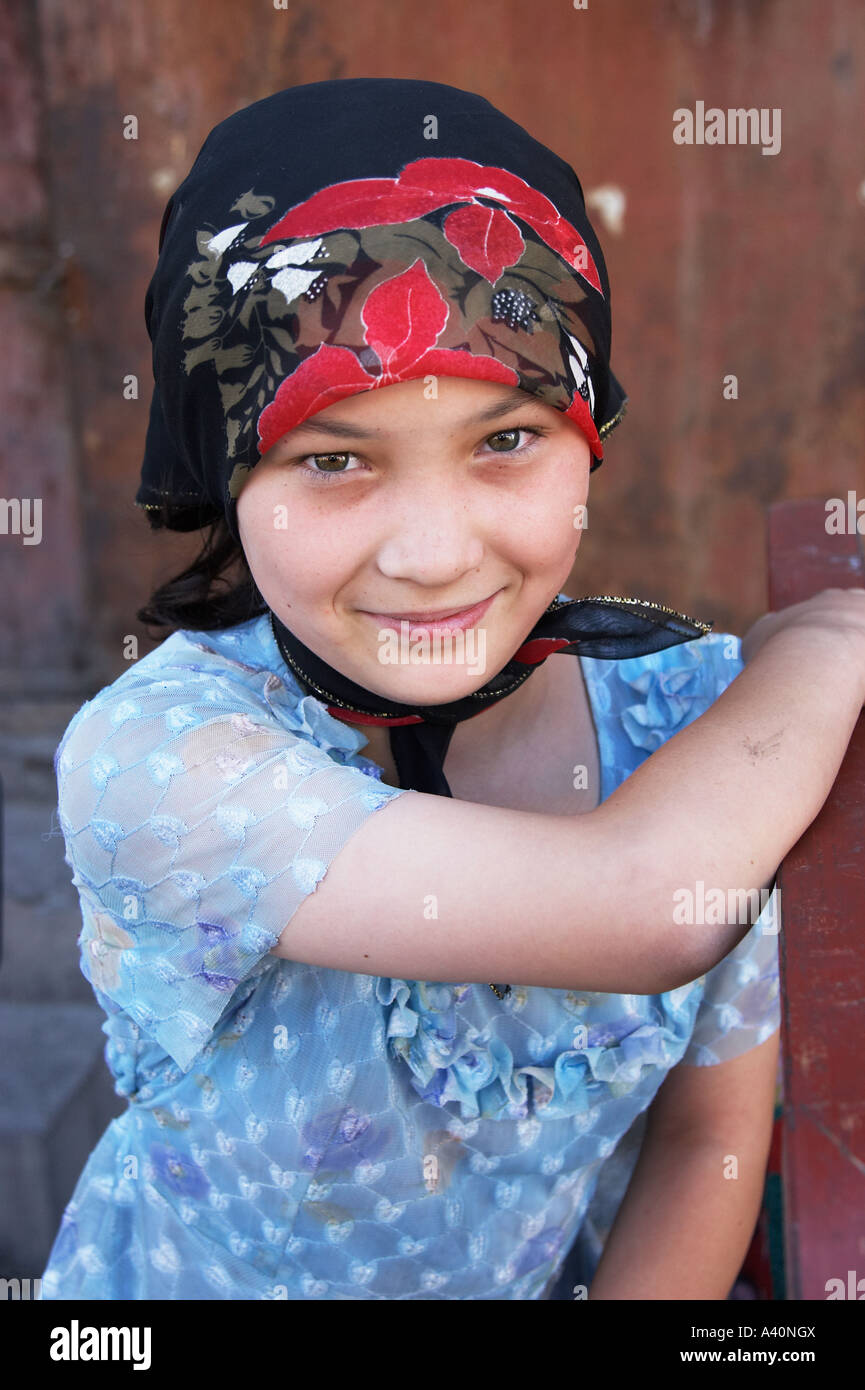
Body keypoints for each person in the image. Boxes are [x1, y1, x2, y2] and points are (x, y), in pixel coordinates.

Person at [40, 78, 865, 1301]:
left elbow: (708, 1142)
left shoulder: (694, 729)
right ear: (227, 475)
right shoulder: (161, 760)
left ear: (589, 435)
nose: (433, 554)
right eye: (332, 458)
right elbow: (642, 907)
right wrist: (827, 642)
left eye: (506, 439)